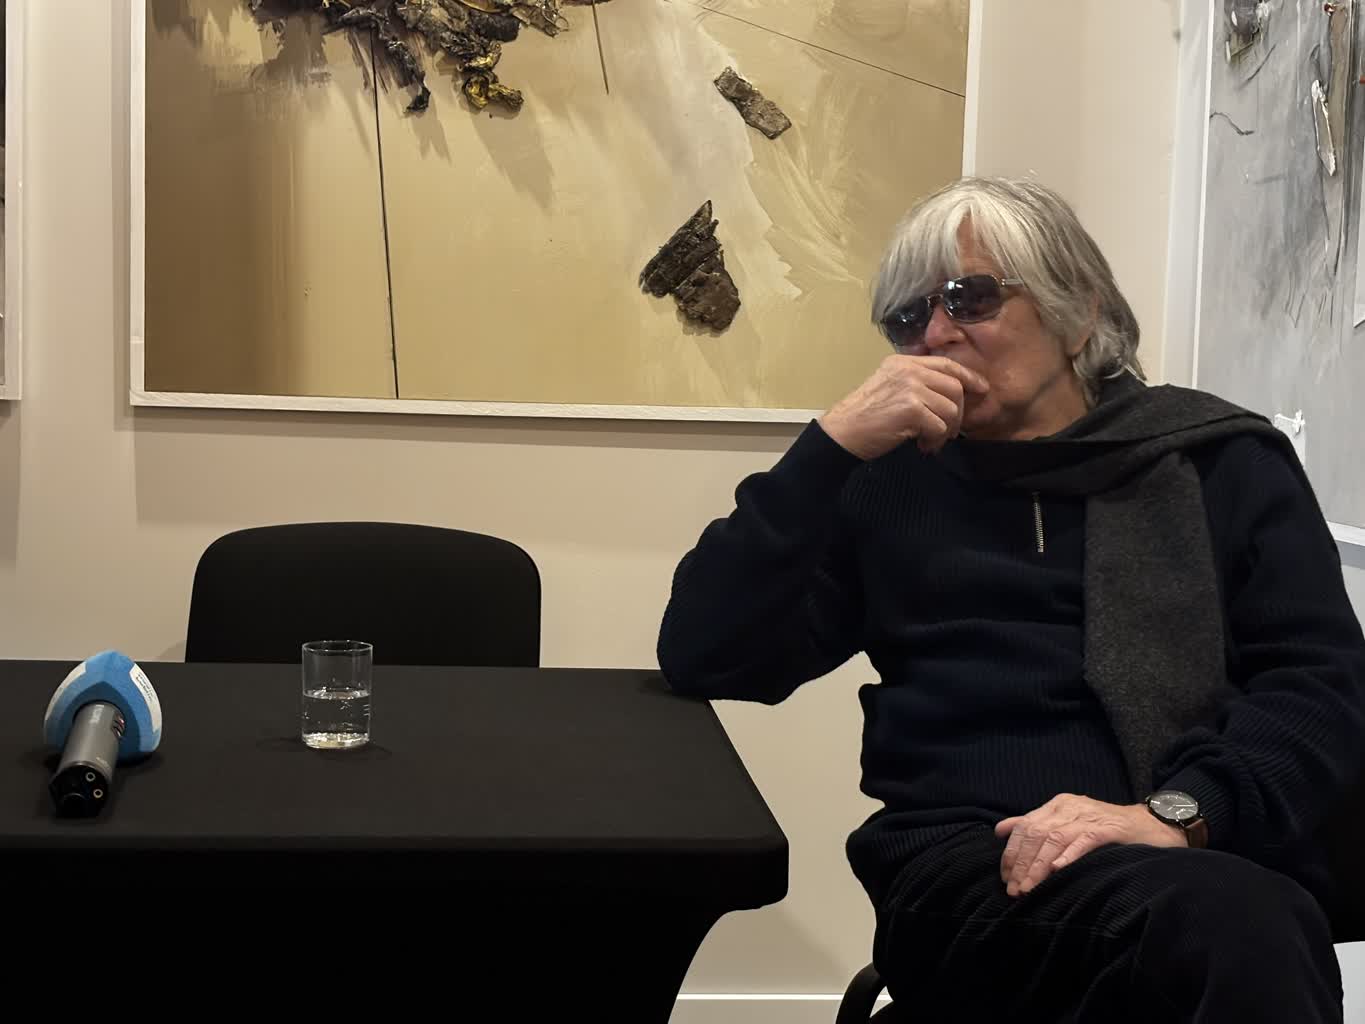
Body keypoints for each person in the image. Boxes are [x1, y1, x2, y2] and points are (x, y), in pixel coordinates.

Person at [656, 177, 1365, 1022]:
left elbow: (1318, 687)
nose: (935, 334)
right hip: (968, 867)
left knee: (1231, 921)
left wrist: (1178, 813)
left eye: (969, 298)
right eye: (907, 318)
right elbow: (708, 655)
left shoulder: (1218, 462)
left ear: (1077, 309)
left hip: (1192, 849)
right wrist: (826, 451)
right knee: (1236, 928)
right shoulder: (883, 482)